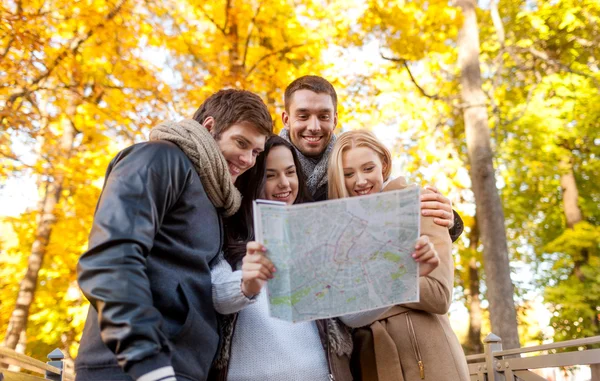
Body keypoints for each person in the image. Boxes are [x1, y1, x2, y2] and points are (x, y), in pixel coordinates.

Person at [75, 89, 273, 381]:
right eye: (241, 143)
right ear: (209, 126)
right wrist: (146, 361)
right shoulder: (159, 158)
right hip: (131, 367)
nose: (247, 159)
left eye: (256, 152)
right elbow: (110, 258)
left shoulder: (214, 198)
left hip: (182, 368)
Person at [208, 136, 440, 380]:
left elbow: (350, 315)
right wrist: (246, 284)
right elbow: (217, 294)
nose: (284, 183)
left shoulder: (316, 235)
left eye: (290, 172)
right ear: (252, 180)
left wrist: (403, 273)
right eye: (271, 175)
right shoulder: (225, 236)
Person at [327, 130, 470, 381]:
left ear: (383, 164)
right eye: (348, 174)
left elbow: (438, 295)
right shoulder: (342, 230)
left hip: (425, 359)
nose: (360, 181)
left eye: (368, 168)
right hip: (369, 360)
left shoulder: (421, 206)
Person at [279, 75, 464, 241]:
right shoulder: (262, 165)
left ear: (334, 120)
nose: (314, 126)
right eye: (303, 116)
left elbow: (394, 203)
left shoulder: (351, 162)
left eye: (323, 116)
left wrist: (449, 220)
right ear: (286, 119)